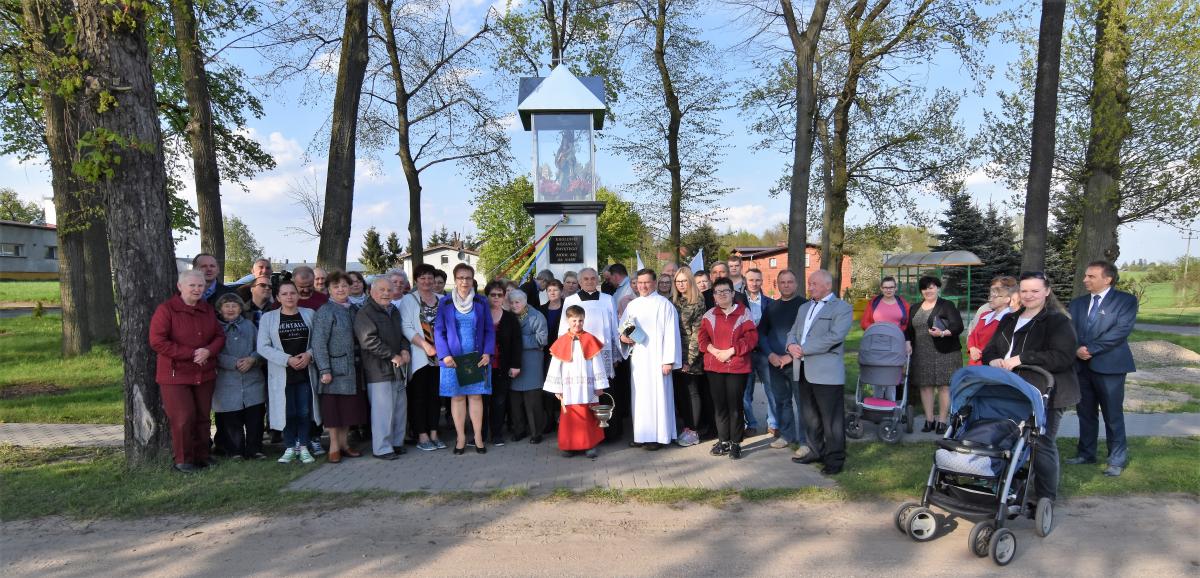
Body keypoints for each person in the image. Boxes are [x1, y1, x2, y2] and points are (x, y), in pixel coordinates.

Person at [982, 271, 1080, 505]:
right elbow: (990, 349)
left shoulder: (1057, 321)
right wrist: (993, 359)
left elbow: (1063, 356)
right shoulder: (1009, 319)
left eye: (1035, 291)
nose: (1029, 295)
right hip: (1011, 389)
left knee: (1041, 443)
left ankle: (1044, 497)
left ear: (1046, 292)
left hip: (1046, 391)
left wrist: (1023, 358)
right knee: (1010, 439)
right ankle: (1011, 486)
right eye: (1024, 291)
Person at [149, 270, 226, 473]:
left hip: (204, 372)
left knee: (202, 416)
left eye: (200, 286)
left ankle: (202, 455)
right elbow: (157, 341)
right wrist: (191, 353)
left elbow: (219, 336)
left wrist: (208, 350)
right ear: (180, 287)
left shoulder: (207, 309)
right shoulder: (167, 310)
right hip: (176, 374)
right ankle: (183, 460)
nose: (196, 289)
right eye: (192, 285)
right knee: (183, 417)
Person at [1067, 260, 1137, 477]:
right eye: (1086, 275)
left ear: (1107, 279)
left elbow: (1121, 331)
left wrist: (1091, 349)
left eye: (1091, 276)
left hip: (1110, 366)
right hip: (1081, 366)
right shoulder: (1077, 303)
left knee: (1112, 415)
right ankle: (1086, 453)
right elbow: (1069, 329)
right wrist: (1077, 348)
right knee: (1085, 413)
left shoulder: (1125, 301)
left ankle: (1116, 459)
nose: (1085, 279)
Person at [786, 270, 853, 475]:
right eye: (809, 283)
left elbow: (835, 336)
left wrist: (804, 348)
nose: (810, 287)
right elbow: (792, 332)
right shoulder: (804, 307)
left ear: (827, 285)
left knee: (831, 420)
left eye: (814, 284)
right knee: (810, 416)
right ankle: (815, 451)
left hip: (826, 372)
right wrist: (790, 346)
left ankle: (835, 459)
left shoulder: (842, 308)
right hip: (803, 369)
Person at [258, 280, 321, 464]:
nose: (289, 297)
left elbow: (318, 341)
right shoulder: (268, 318)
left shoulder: (309, 314)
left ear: (298, 294)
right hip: (282, 373)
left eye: (292, 293)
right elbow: (262, 346)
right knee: (287, 412)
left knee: (304, 411)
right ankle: (289, 446)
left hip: (305, 372)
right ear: (277, 297)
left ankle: (303, 445)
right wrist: (287, 359)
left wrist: (309, 355)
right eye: (284, 294)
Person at [618, 268, 682, 450]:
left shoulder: (664, 305)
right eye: (640, 283)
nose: (643, 286)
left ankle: (657, 436)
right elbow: (622, 329)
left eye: (646, 282)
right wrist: (624, 338)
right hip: (638, 358)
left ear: (654, 283)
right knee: (639, 397)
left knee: (658, 397)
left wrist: (668, 360)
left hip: (658, 359)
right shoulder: (633, 305)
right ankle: (641, 434)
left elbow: (672, 334)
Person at [312, 272, 370, 463]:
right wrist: (325, 370)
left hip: (354, 369)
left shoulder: (353, 309)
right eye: (336, 286)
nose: (341, 289)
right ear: (329, 289)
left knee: (349, 411)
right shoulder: (325, 311)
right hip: (335, 371)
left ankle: (345, 444)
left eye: (344, 286)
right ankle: (334, 447)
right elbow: (319, 343)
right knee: (334, 412)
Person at [698, 277, 759, 460]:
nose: (722, 295)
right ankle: (723, 440)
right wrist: (714, 351)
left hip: (737, 367)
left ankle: (736, 443)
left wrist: (732, 351)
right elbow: (702, 339)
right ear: (714, 296)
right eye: (718, 292)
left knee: (735, 406)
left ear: (733, 293)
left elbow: (751, 338)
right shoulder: (709, 315)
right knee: (720, 406)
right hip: (714, 366)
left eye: (726, 291)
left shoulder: (744, 313)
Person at [436, 263, 494, 454]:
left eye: (468, 278)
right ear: (455, 280)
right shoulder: (445, 303)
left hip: (477, 358)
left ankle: (477, 436)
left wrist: (487, 352)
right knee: (458, 398)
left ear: (472, 280)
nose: (464, 281)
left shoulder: (481, 302)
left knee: (476, 397)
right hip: (452, 360)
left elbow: (488, 329)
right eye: (460, 278)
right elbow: (439, 331)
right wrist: (444, 355)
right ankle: (461, 437)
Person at [561, 268, 622, 438]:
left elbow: (615, 328)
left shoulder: (608, 299)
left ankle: (610, 433)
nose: (589, 281)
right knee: (585, 393)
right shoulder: (571, 300)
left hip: (604, 354)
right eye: (586, 279)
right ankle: (587, 434)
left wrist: (616, 355)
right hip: (579, 356)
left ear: (598, 280)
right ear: (580, 282)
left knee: (604, 391)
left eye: (593, 278)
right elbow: (563, 328)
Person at [354, 277, 411, 460]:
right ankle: (382, 448)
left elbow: (402, 333)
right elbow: (368, 340)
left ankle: (396, 442)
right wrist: (392, 355)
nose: (386, 293)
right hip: (378, 369)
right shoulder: (365, 313)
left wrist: (404, 349)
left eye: (389, 290)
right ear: (372, 291)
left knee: (399, 408)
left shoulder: (393, 310)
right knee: (382, 411)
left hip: (398, 367)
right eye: (382, 290)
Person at [544, 305, 608, 458]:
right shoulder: (561, 342)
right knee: (569, 417)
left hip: (588, 386)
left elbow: (598, 364)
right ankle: (568, 445)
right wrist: (557, 388)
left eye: (580, 320)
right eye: (574, 320)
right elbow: (555, 367)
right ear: (568, 320)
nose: (577, 324)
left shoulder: (590, 339)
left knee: (588, 415)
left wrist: (600, 386)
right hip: (568, 387)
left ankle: (590, 445)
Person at [904, 276, 964, 434]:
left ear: (938, 288)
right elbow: (909, 330)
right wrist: (908, 342)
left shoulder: (947, 305)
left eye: (931, 287)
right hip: (922, 353)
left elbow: (958, 326)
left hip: (945, 352)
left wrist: (943, 333)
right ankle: (929, 420)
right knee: (925, 386)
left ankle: (942, 422)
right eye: (924, 288)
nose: (928, 291)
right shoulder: (915, 308)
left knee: (944, 387)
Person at [212, 293, 266, 460]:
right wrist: (233, 363)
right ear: (220, 309)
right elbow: (213, 352)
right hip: (226, 379)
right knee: (231, 418)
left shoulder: (250, 326)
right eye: (226, 306)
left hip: (252, 378)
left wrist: (253, 359)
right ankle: (235, 451)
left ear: (240, 308)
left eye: (234, 306)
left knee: (255, 417)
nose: (230, 309)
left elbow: (262, 346)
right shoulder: (215, 328)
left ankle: (255, 449)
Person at [400, 264, 447, 452]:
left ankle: (434, 432)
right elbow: (406, 327)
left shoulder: (443, 300)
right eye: (422, 278)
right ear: (416, 280)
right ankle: (422, 434)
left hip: (441, 357)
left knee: (435, 397)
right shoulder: (408, 300)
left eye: (430, 278)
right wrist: (425, 345)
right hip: (419, 355)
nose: (427, 281)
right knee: (419, 397)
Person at [758, 269, 806, 450]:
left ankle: (805, 440)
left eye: (790, 282)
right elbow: (761, 333)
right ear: (777, 284)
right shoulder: (771, 307)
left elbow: (808, 335)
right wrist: (770, 354)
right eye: (782, 282)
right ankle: (787, 435)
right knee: (781, 401)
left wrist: (790, 355)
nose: (786, 285)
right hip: (775, 363)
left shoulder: (805, 306)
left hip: (797, 362)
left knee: (802, 402)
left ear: (796, 284)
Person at [671, 265, 710, 444]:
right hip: (675, 354)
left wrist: (689, 359)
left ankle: (693, 431)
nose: (680, 285)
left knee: (691, 392)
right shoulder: (675, 302)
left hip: (691, 356)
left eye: (683, 281)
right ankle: (687, 427)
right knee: (681, 393)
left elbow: (697, 334)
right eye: (677, 281)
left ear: (690, 282)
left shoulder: (698, 302)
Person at [484, 280, 522, 445]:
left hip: (502, 366)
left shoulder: (510, 318)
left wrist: (516, 365)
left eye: (500, 294)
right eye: (493, 294)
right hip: (482, 366)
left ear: (504, 296)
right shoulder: (480, 315)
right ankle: (481, 433)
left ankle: (497, 434)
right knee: (482, 401)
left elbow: (517, 343)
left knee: (499, 402)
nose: (497, 298)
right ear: (487, 296)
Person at [508, 289, 548, 443]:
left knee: (533, 402)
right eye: (511, 302)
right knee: (515, 402)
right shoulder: (509, 316)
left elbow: (541, 340)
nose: (514, 305)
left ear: (524, 302)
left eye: (517, 302)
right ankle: (519, 430)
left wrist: (517, 341)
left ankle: (536, 433)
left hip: (531, 364)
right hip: (514, 364)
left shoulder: (536, 316)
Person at [741, 268, 775, 438]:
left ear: (762, 281)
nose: (754, 283)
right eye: (751, 280)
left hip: (764, 352)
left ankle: (773, 423)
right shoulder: (738, 302)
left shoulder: (770, 303)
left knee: (771, 389)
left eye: (757, 280)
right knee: (745, 392)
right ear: (745, 282)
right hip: (745, 353)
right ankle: (751, 423)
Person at [966, 276, 1017, 367]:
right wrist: (972, 348)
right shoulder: (984, 315)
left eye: (995, 296)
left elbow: (999, 345)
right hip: (974, 363)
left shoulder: (1010, 320)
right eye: (990, 296)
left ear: (1007, 299)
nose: (990, 299)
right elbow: (972, 335)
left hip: (990, 365)